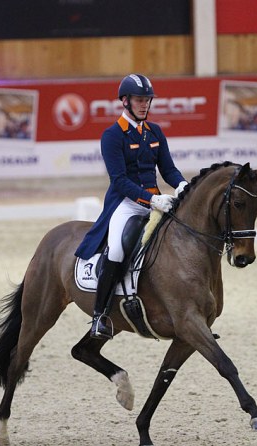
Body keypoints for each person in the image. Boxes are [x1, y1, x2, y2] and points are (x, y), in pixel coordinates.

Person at [75, 73, 188, 340]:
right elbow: (120, 181)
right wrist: (150, 200)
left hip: (157, 202)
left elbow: (168, 169)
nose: (145, 104)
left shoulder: (154, 132)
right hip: (125, 204)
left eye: (147, 100)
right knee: (115, 250)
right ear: (125, 101)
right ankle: (100, 315)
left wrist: (182, 185)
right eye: (139, 100)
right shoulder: (113, 135)